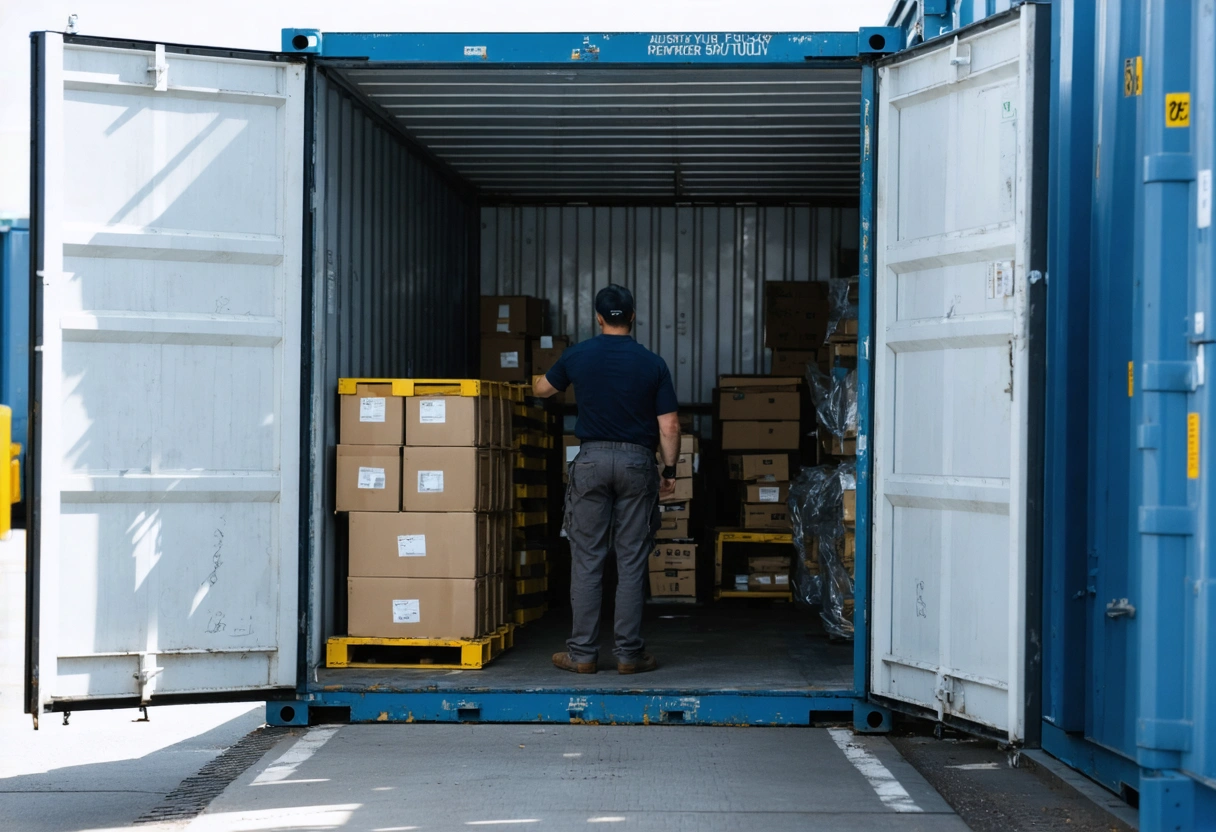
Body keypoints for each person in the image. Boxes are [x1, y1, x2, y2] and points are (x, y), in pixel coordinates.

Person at [533, 284, 680, 675]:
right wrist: (669, 470)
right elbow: (670, 426)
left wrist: (538, 378)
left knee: (587, 560)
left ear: (598, 317)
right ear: (632, 316)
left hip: (592, 461)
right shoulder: (653, 363)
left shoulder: (578, 355)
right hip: (636, 464)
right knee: (631, 560)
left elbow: (543, 389)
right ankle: (629, 655)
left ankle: (582, 654)